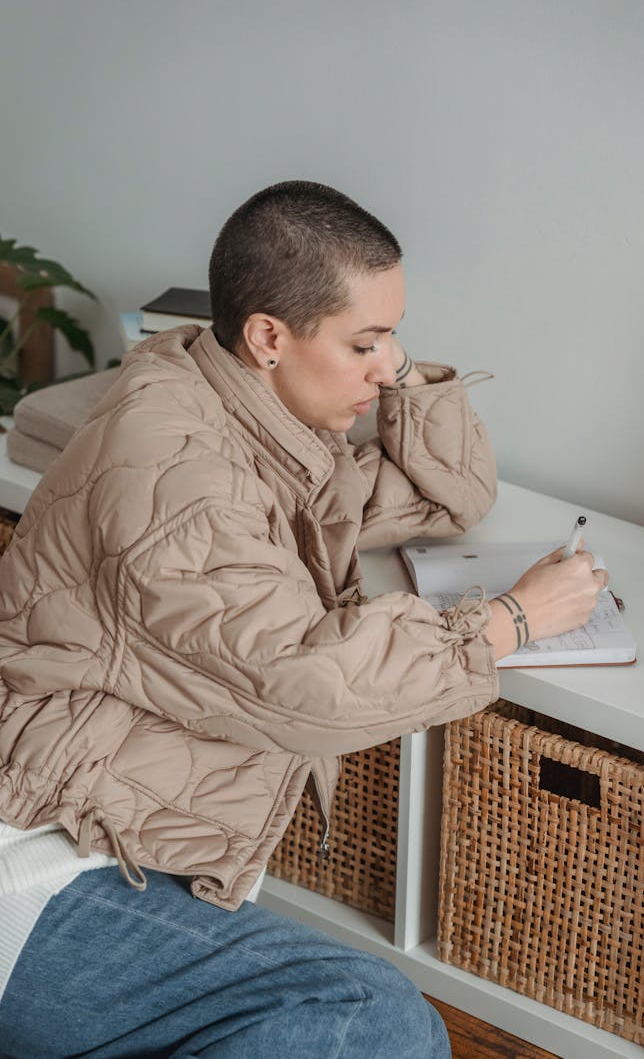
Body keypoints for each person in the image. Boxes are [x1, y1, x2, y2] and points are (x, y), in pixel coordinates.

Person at [0, 181, 605, 1058]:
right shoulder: (183, 475)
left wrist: (393, 367)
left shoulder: (244, 408)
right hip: (42, 862)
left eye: (393, 336)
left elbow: (453, 493)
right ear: (268, 338)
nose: (388, 364)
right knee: (378, 1019)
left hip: (103, 828)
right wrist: (508, 621)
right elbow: (306, 681)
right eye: (365, 342)